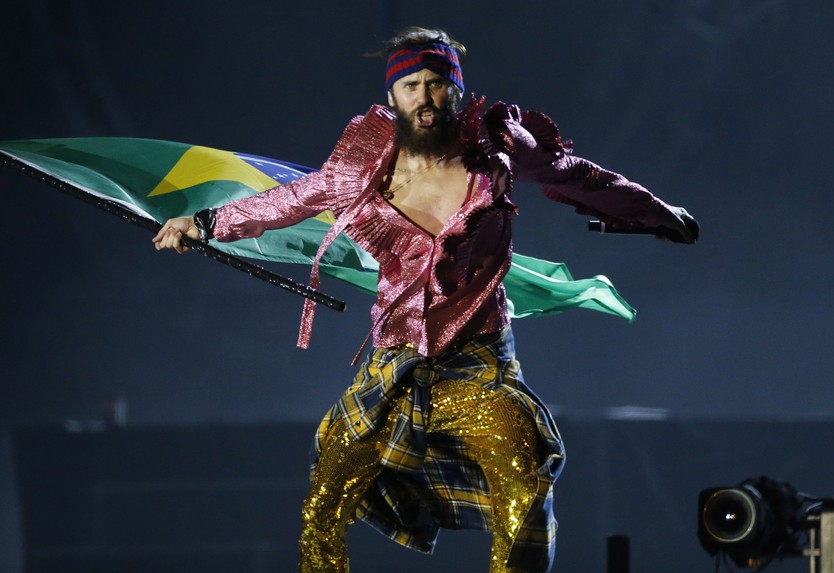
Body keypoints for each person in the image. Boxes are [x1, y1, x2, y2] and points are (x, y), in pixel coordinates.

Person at [153, 27, 696, 573]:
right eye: (411, 86)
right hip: (393, 370)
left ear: (457, 92)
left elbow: (578, 176)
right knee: (324, 500)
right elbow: (291, 199)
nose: (425, 99)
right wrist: (203, 223)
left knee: (525, 492)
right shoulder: (360, 168)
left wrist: (659, 213)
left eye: (437, 85)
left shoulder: (496, 154)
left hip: (479, 367)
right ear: (393, 96)